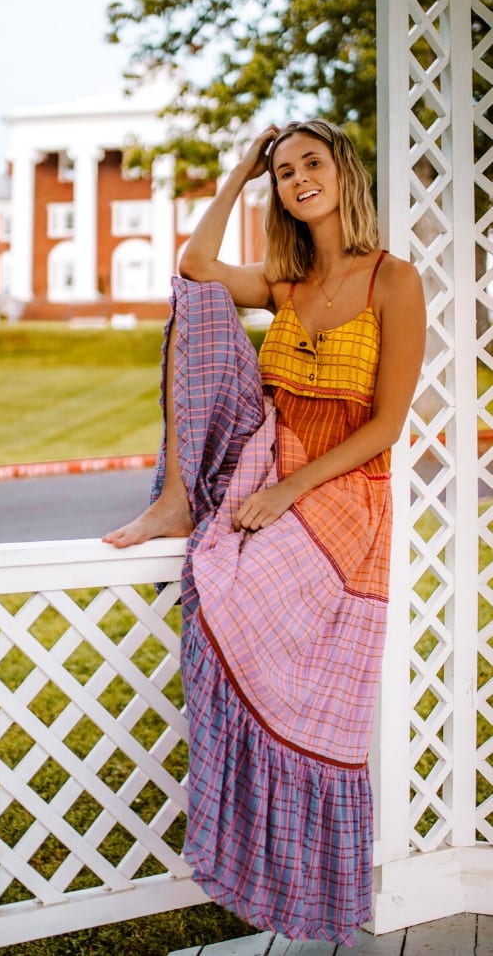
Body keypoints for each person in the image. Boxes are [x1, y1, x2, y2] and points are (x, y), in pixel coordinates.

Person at [103, 119, 426, 945]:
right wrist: (240, 168)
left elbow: (387, 424)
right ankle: (177, 497)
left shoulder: (394, 280)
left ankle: (278, 849)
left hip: (341, 485)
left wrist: (288, 490)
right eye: (283, 171)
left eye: (308, 163)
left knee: (230, 610)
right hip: (267, 452)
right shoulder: (286, 278)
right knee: (198, 305)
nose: (296, 179)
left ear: (342, 172)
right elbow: (195, 265)